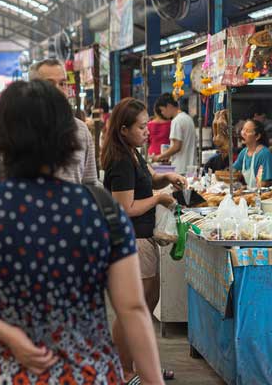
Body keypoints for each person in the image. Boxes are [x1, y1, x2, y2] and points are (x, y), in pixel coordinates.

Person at [0, 80, 165, 385]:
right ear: (68, 138)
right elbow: (133, 309)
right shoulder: (102, 209)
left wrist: (4, 332)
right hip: (88, 374)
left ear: (2, 137)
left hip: (4, 374)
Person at [102, 98, 185, 383]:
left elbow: (149, 178)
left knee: (146, 303)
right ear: (123, 130)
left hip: (143, 238)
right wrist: (160, 199)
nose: (146, 131)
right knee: (133, 309)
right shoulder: (121, 161)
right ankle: (123, 370)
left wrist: (168, 178)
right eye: (140, 127)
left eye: (146, 125)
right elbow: (125, 208)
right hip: (132, 240)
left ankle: (137, 365)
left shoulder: (134, 153)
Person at [30, 59, 99, 186]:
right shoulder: (23, 127)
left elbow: (90, 182)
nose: (58, 90)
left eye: (62, 84)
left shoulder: (80, 129)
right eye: (49, 84)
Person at [151, 93, 197, 174]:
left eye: (162, 110)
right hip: (190, 168)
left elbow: (176, 146)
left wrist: (159, 157)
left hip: (180, 168)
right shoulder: (188, 118)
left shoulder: (176, 121)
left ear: (168, 106)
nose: (162, 113)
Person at [234, 119, 272, 188]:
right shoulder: (244, 153)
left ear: (257, 136)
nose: (243, 133)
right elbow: (234, 171)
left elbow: (265, 183)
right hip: (250, 194)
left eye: (247, 131)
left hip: (263, 196)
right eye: (243, 129)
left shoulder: (264, 154)